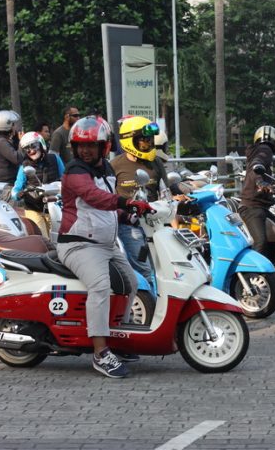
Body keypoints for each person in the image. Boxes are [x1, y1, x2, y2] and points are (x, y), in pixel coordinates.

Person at [56, 115, 152, 378]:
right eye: (81, 146)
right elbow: (94, 197)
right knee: (100, 286)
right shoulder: (75, 171)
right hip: (78, 245)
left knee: (132, 283)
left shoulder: (106, 169)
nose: (86, 150)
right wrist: (126, 203)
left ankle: (119, 337)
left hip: (105, 244)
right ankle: (100, 353)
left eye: (92, 145)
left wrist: (128, 215)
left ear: (104, 146)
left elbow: (106, 208)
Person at [110, 116, 166, 285]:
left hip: (155, 222)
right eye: (144, 140)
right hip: (129, 225)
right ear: (129, 140)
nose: (148, 144)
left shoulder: (155, 162)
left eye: (150, 140)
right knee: (145, 270)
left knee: (164, 267)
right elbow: (109, 196)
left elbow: (167, 189)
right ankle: (149, 299)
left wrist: (186, 191)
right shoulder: (115, 165)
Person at [239, 125, 275, 263]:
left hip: (261, 207)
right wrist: (260, 182)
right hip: (251, 207)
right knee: (260, 242)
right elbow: (256, 166)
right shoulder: (265, 150)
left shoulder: (258, 150)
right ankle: (254, 271)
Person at [11, 131, 65, 237]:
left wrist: (62, 192)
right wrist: (18, 194)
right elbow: (16, 188)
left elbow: (66, 179)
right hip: (33, 208)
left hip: (54, 206)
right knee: (42, 238)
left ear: (41, 144)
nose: (31, 151)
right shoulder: (24, 166)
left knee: (58, 238)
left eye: (33, 146)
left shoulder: (54, 159)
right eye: (27, 149)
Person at [0, 109, 24, 199]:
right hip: (6, 185)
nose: (15, 127)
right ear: (6, 125)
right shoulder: (2, 142)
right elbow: (17, 158)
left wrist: (17, 139)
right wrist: (21, 142)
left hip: (8, 182)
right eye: (13, 125)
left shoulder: (3, 141)